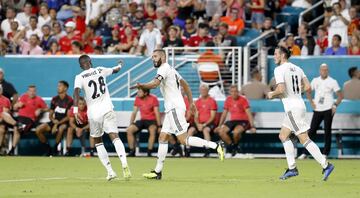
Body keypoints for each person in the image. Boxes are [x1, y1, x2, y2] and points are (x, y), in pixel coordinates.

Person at [131, 49, 224, 180]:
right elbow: (186, 85)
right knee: (163, 137)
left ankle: (216, 145)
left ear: (163, 57)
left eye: (155, 56)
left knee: (183, 139)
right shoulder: (171, 69)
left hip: (174, 108)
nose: (153, 58)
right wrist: (191, 103)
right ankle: (158, 171)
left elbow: (155, 84)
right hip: (173, 108)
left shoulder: (163, 68)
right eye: (152, 56)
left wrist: (142, 86)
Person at [267, 46, 334, 181]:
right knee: (283, 135)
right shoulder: (298, 68)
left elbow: (281, 89)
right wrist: (295, 92)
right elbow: (308, 87)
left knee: (304, 139)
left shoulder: (279, 69)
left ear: (283, 56)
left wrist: (271, 94)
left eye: (275, 54)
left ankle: (326, 165)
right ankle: (292, 168)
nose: (274, 56)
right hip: (300, 105)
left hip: (292, 108)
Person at [73, 55, 131, 180]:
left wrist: (75, 110)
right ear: (90, 62)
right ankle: (124, 164)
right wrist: (120, 64)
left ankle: (110, 172)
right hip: (107, 108)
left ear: (80, 66)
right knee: (114, 136)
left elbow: (76, 92)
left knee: (98, 141)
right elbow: (116, 70)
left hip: (93, 113)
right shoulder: (100, 70)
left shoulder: (79, 77)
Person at [298, 64, 343, 160]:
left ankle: (325, 153)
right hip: (317, 109)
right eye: (323, 70)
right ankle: (305, 153)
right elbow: (308, 91)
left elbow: (340, 95)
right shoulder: (315, 80)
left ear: (328, 71)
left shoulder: (332, 81)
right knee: (312, 131)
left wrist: (335, 105)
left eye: (326, 70)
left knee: (327, 131)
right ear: (320, 70)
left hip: (328, 109)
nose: (324, 71)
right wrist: (311, 102)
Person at [215, 85, 256, 156]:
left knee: (236, 133)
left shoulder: (243, 100)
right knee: (221, 132)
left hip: (243, 121)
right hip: (232, 121)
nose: (234, 93)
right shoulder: (228, 100)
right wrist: (219, 125)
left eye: (235, 91)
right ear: (230, 92)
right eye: (232, 91)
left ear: (238, 92)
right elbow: (224, 114)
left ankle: (234, 147)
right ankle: (234, 146)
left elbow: (249, 114)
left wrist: (252, 126)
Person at [35, 81, 73, 156]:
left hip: (64, 122)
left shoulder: (70, 100)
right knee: (38, 130)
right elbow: (50, 114)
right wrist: (53, 120)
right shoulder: (54, 99)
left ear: (65, 88)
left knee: (61, 128)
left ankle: (55, 148)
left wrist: (57, 124)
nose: (58, 87)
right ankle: (48, 148)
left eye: (60, 86)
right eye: (58, 86)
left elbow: (68, 117)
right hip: (54, 121)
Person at [10, 85, 48, 155]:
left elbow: (47, 108)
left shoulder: (39, 99)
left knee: (17, 129)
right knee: (16, 128)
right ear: (27, 91)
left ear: (35, 92)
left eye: (33, 91)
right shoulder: (23, 97)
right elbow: (15, 107)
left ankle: (12, 149)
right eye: (30, 91)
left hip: (30, 120)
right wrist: (16, 105)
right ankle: (12, 150)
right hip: (20, 118)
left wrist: (40, 109)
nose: (32, 93)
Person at [126, 88, 161, 157]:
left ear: (145, 93)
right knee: (129, 130)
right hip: (143, 120)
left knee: (152, 131)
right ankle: (132, 151)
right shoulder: (137, 98)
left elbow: (157, 113)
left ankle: (149, 152)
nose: (138, 93)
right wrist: (131, 124)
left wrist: (159, 126)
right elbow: (134, 113)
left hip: (152, 121)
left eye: (140, 92)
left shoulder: (153, 98)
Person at [187, 84, 217, 157]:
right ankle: (187, 150)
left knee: (205, 130)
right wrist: (197, 124)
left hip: (209, 123)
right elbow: (196, 115)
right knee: (190, 130)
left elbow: (212, 117)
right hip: (199, 123)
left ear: (208, 91)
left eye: (204, 90)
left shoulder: (212, 101)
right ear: (200, 91)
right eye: (201, 90)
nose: (203, 91)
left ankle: (207, 150)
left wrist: (203, 125)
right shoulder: (197, 102)